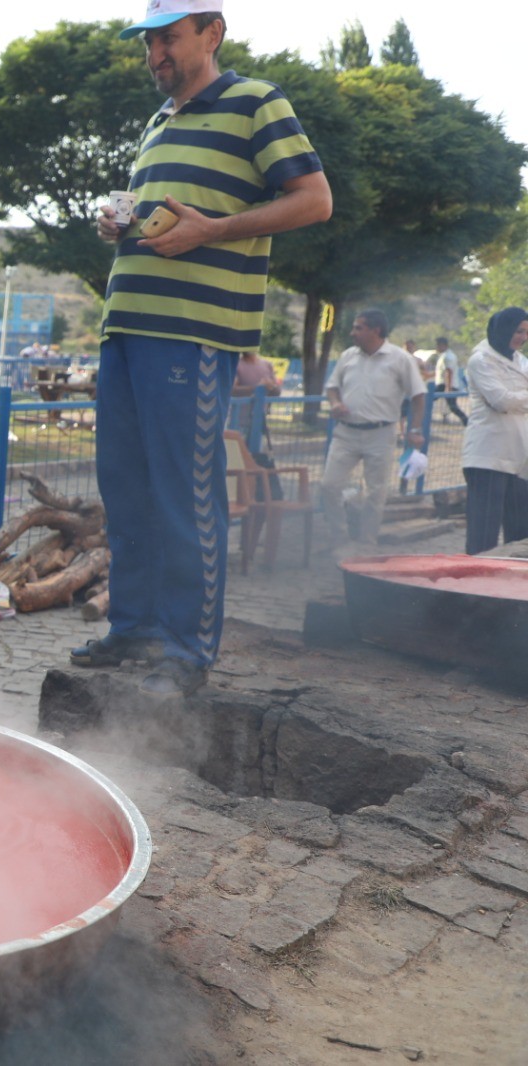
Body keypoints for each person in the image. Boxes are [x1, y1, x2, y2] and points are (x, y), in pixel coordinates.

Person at [78, 0, 332, 698]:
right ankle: (132, 628)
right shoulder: (157, 122)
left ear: (212, 33)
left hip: (193, 333)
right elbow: (164, 220)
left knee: (185, 496)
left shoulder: (256, 101)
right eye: (148, 42)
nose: (154, 53)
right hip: (126, 327)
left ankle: (188, 648)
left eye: (168, 38)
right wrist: (120, 223)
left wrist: (210, 231)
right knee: (125, 491)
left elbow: (314, 200)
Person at [319, 310, 425, 548]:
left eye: (358, 328)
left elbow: (418, 395)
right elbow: (332, 387)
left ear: (375, 330)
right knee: (329, 485)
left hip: (381, 433)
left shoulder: (400, 358)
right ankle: (339, 537)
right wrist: (335, 403)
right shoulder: (348, 356)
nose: (352, 333)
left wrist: (415, 428)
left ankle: (367, 542)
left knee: (375, 492)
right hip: (346, 432)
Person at [460, 308, 528, 555]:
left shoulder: (521, 361)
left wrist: (518, 399)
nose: (522, 337)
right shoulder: (481, 360)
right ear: (503, 328)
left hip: (519, 458)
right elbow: (501, 401)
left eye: (526, 332)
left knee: (520, 534)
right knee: (483, 534)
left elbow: (514, 400)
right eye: (519, 331)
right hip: (488, 456)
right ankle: (472, 590)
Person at [231, 351, 280, 447]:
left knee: (255, 456)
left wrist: (271, 386)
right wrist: (257, 387)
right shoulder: (236, 364)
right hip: (239, 422)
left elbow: (277, 391)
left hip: (259, 422)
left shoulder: (267, 365)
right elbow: (232, 390)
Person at [432, 336, 468, 426]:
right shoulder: (443, 356)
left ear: (443, 345)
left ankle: (467, 422)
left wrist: (448, 388)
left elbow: (449, 372)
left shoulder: (448, 356)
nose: (437, 348)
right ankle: (467, 421)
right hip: (443, 384)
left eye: (438, 345)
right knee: (452, 407)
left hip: (446, 385)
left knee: (452, 407)